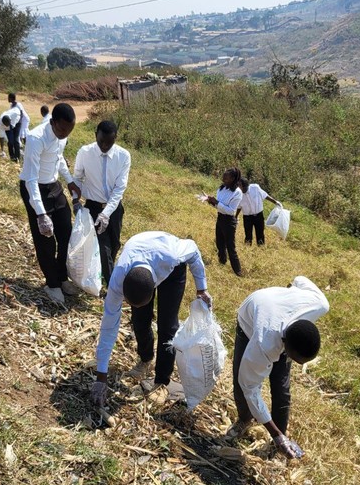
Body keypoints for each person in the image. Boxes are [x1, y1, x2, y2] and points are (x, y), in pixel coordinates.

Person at [91, 232, 213, 407]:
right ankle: (145, 358)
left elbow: (193, 249)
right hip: (142, 255)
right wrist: (101, 376)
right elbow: (109, 326)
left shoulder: (172, 255)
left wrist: (201, 288)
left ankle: (162, 380)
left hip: (172, 270)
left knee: (168, 326)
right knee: (139, 320)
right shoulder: (118, 280)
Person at [230, 276, 329, 458]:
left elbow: (300, 279)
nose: (297, 364)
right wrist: (275, 434)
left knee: (281, 388)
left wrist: (290, 288)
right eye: (295, 359)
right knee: (240, 382)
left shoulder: (320, 305)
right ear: (286, 346)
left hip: (278, 318)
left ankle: (280, 441)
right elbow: (250, 388)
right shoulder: (262, 345)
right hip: (250, 320)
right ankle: (244, 419)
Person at [19, 103, 82, 305]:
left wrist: (69, 181)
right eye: (62, 130)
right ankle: (52, 284)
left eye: (69, 131)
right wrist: (40, 213)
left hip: (53, 185)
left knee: (66, 233)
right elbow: (30, 179)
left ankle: (62, 277)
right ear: (53, 122)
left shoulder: (61, 135)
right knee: (45, 239)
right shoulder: (36, 138)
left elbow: (59, 157)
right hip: (34, 187)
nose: (65, 135)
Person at [72, 121, 131, 285]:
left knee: (114, 244)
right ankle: (112, 287)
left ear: (115, 138)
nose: (104, 146)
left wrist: (106, 214)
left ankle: (105, 272)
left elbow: (119, 189)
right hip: (93, 206)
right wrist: (75, 200)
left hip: (114, 208)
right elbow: (77, 178)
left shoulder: (123, 156)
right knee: (103, 248)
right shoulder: (85, 152)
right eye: (101, 141)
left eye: (109, 142)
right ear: (95, 135)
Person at [204, 167, 243, 276]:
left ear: (232, 178)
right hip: (220, 218)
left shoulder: (237, 192)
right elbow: (219, 206)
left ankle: (238, 272)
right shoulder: (222, 189)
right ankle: (222, 263)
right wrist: (210, 201)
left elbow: (231, 211)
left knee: (230, 247)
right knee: (220, 243)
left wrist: (216, 202)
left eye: (226, 178)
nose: (223, 179)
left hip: (229, 221)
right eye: (223, 177)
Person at [235, 178, 282, 246]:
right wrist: (236, 216)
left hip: (258, 216)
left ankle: (261, 248)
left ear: (245, 186)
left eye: (239, 185)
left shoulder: (255, 188)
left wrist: (275, 202)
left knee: (260, 234)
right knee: (248, 235)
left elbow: (265, 195)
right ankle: (247, 248)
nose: (238, 187)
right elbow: (239, 207)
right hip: (247, 217)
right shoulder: (238, 194)